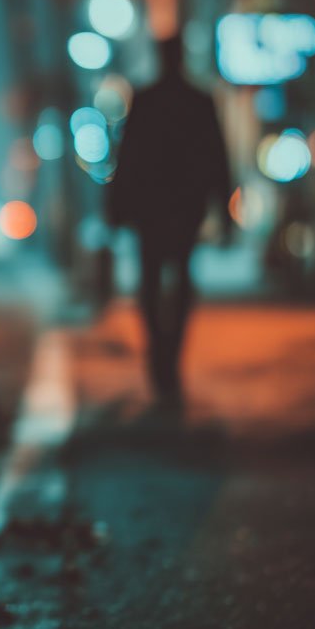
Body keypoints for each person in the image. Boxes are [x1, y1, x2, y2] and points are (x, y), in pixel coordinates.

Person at [107, 33, 232, 400]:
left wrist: (117, 207)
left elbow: (127, 158)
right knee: (179, 281)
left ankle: (161, 355)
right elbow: (218, 158)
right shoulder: (198, 101)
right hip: (183, 207)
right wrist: (222, 210)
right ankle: (168, 356)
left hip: (153, 208)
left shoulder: (146, 101)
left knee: (151, 282)